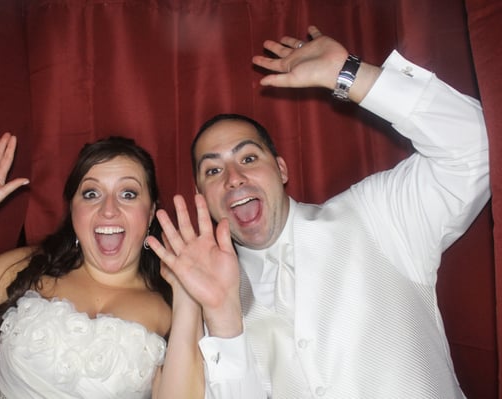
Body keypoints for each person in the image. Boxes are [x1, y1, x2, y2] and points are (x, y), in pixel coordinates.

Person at [147, 25, 490, 398]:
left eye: (248, 157)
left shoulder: (377, 215)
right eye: (213, 170)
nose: (233, 178)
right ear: (201, 195)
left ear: (281, 170)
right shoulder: (206, 295)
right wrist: (221, 314)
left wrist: (350, 74)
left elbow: (477, 149)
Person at [0, 133, 204, 399]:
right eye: (91, 193)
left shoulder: (173, 303)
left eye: (128, 194)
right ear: (72, 209)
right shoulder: (29, 267)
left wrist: (188, 296)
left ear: (150, 212)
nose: (108, 209)